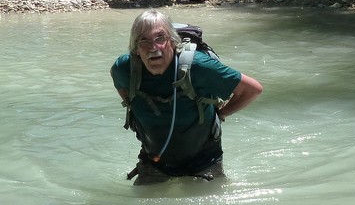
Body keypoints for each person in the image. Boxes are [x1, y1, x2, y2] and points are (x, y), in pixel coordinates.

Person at [111, 9, 263, 183]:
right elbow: (127, 99)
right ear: (136, 49)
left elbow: (252, 89)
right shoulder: (124, 69)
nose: (153, 47)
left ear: (173, 42)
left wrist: (222, 114)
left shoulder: (199, 67)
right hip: (154, 160)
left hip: (204, 160)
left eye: (160, 38)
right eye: (143, 40)